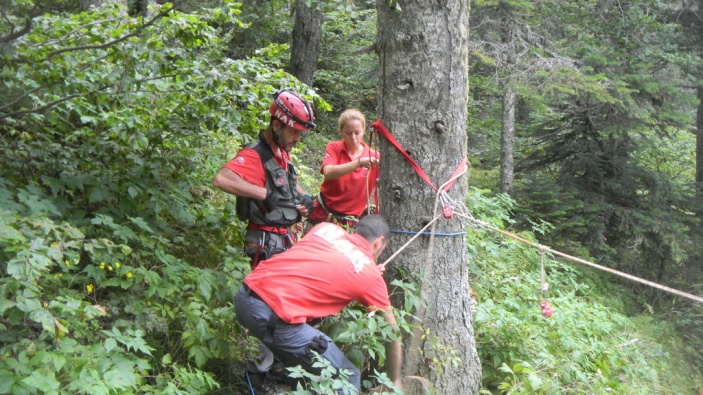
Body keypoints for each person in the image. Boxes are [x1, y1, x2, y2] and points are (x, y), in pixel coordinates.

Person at [235, 214, 403, 394]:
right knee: (347, 376)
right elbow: (392, 331)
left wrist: (368, 275)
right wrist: (395, 380)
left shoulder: (326, 229)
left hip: (244, 296)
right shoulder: (369, 274)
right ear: (379, 242)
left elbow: (321, 268)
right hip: (271, 316)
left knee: (306, 359)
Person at [213, 89, 316, 268]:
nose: (298, 138)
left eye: (300, 133)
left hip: (283, 240)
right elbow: (222, 179)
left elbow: (283, 181)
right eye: (293, 132)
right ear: (276, 126)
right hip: (265, 244)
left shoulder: (281, 151)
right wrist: (263, 193)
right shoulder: (255, 155)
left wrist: (304, 196)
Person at [308, 109, 380, 229]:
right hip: (323, 214)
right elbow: (328, 172)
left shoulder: (374, 157)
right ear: (341, 131)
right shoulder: (334, 147)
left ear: (364, 130)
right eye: (348, 133)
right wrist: (358, 163)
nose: (353, 137)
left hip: (349, 222)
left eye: (357, 132)